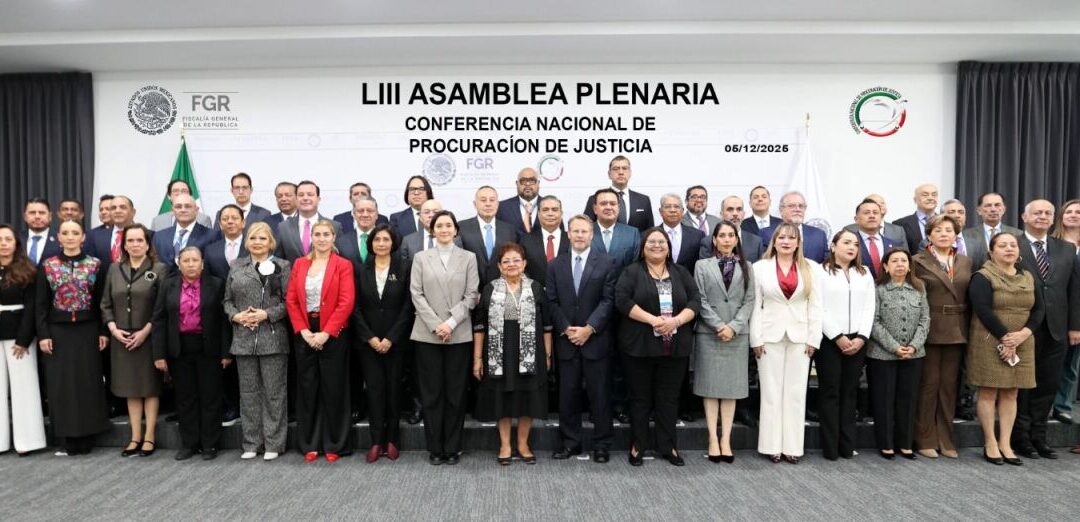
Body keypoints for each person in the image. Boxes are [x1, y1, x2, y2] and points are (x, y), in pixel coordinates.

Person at [615, 227, 700, 467]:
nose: (657, 245)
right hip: (639, 347)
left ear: (668, 248)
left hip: (674, 348)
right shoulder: (631, 272)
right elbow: (622, 300)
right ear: (643, 248)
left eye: (661, 242)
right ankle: (638, 444)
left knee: (668, 399)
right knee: (640, 399)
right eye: (651, 242)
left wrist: (676, 321)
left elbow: (695, 301)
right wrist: (654, 320)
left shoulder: (681, 272)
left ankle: (668, 445)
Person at [409, 210, 479, 465]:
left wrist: (449, 323)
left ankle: (453, 447)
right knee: (432, 394)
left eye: (449, 225)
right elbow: (416, 294)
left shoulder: (468, 258)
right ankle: (435, 448)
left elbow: (472, 295)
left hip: (458, 333)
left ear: (456, 230)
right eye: (439, 226)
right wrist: (436, 324)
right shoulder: (420, 258)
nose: (444, 229)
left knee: (455, 394)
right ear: (432, 230)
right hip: (427, 334)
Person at [1012, 200, 1080, 460]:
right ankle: (1021, 438)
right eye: (1037, 212)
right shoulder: (1012, 244)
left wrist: (1075, 326)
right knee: (1023, 386)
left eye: (1047, 213)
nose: (1042, 216)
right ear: (1024, 216)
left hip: (1057, 328)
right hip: (1024, 327)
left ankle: (1039, 437)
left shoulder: (1066, 248)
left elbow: (1074, 290)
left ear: (1054, 218)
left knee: (1048, 384)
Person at [472, 243, 553, 465]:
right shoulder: (490, 289)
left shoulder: (536, 288)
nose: (511, 264)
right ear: (499, 266)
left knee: (528, 399)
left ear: (524, 263)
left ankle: (523, 444)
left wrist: (547, 355)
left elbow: (547, 326)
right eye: (506, 261)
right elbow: (479, 326)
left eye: (516, 260)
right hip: (499, 353)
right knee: (502, 399)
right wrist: (477, 359)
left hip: (530, 352)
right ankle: (505, 445)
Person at [546, 215, 617, 463]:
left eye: (584, 231)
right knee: (568, 395)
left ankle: (602, 444)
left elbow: (608, 300)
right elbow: (552, 301)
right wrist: (567, 328)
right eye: (575, 231)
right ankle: (570, 443)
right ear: (568, 234)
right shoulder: (555, 265)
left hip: (595, 340)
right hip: (567, 340)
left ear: (591, 235)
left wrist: (589, 328)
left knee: (600, 395)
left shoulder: (607, 263)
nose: (579, 235)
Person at [967, 232, 1043, 466]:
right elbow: (982, 310)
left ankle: (1005, 443)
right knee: (989, 391)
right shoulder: (982, 276)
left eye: (1013, 245)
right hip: (990, 339)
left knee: (1012, 392)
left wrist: (1023, 335)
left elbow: (1039, 309)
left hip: (1023, 341)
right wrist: (1006, 338)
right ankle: (990, 442)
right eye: (1002, 245)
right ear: (991, 252)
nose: (1009, 249)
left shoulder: (1028, 276)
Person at [35, 220, 109, 455]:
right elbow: (41, 304)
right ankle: (66, 438)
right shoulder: (48, 265)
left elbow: (102, 302)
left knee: (88, 381)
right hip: (58, 331)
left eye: (75, 232)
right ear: (58, 237)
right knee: (62, 384)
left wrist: (103, 331)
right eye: (65, 233)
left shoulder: (95, 264)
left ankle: (87, 437)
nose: (70, 236)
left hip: (88, 330)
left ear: (82, 237)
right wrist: (43, 334)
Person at [750, 223, 823, 464]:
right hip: (768, 336)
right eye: (781, 237)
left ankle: (792, 447)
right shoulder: (760, 268)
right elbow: (755, 306)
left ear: (798, 243)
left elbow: (816, 306)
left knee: (796, 393)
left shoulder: (811, 267)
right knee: (770, 392)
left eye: (791, 238)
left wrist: (814, 338)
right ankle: (771, 446)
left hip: (800, 337)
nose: (786, 242)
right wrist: (756, 338)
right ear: (774, 241)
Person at [285, 220, 355, 463]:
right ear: (311, 237)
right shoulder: (300, 264)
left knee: (334, 388)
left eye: (327, 234)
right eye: (318, 234)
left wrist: (326, 333)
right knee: (308, 388)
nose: (322, 238)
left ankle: (335, 443)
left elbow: (346, 302)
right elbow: (291, 300)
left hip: (333, 332)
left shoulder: (343, 265)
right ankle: (310, 443)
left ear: (334, 237)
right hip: (305, 332)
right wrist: (303, 330)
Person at [151, 247, 230, 461]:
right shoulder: (168, 285)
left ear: (202, 263)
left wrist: (226, 352)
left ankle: (210, 444)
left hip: (209, 349)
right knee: (185, 398)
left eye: (195, 260)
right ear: (179, 264)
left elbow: (224, 321)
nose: (191, 264)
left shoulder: (216, 284)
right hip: (179, 349)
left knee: (210, 397)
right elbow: (159, 320)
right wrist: (159, 354)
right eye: (186, 260)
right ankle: (189, 443)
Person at [223, 222, 291, 461]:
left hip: (272, 337)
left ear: (271, 242)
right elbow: (227, 301)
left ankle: (274, 443)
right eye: (253, 238)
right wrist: (236, 316)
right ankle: (251, 443)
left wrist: (266, 314)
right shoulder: (236, 265)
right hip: (243, 338)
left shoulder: (283, 266)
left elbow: (289, 302)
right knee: (248, 394)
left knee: (274, 394)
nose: (257, 242)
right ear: (246, 242)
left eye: (262, 238)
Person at [101, 224, 168, 457]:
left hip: (148, 338)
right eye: (130, 240)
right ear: (124, 245)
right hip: (121, 338)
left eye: (140, 240)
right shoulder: (114, 269)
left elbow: (161, 307)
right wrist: (113, 329)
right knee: (131, 388)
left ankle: (149, 436)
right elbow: (105, 303)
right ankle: (134, 436)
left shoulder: (158, 269)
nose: (135, 244)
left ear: (148, 244)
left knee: (149, 388)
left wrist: (146, 331)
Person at [912, 214, 972, 459]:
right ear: (929, 235)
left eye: (948, 230)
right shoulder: (917, 260)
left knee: (949, 387)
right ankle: (925, 438)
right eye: (938, 230)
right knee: (928, 385)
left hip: (958, 329)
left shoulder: (965, 261)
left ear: (956, 235)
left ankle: (946, 439)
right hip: (930, 328)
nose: (944, 234)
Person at [694, 221, 754, 463]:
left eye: (731, 235)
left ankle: (726, 440)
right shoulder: (702, 265)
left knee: (731, 389)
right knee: (710, 388)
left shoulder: (747, 266)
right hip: (710, 334)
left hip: (737, 335)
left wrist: (734, 327)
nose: (727, 239)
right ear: (714, 240)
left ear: (736, 240)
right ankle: (712, 438)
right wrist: (719, 325)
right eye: (722, 235)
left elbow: (749, 300)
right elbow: (699, 299)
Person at [353, 225, 413, 462]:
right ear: (371, 243)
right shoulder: (361, 269)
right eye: (377, 239)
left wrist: (391, 338)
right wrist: (370, 337)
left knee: (394, 390)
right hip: (368, 343)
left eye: (385, 239)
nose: (381, 243)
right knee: (375, 391)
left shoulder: (404, 267)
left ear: (393, 243)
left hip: (395, 342)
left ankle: (392, 440)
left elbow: (408, 306)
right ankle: (376, 441)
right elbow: (355, 308)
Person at [816, 229, 875, 461]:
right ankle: (830, 447)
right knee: (830, 392)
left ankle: (847, 445)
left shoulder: (864, 273)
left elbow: (869, 307)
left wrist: (861, 337)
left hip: (857, 341)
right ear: (833, 246)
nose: (852, 247)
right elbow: (818, 307)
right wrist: (837, 336)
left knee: (850, 392)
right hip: (830, 340)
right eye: (846, 242)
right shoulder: (820, 271)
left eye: (855, 244)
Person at [868, 248, 930, 459]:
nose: (900, 264)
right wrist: (894, 346)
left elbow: (925, 319)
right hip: (883, 354)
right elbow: (874, 322)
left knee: (908, 399)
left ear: (910, 266)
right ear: (886, 266)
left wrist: (914, 345)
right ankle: (886, 443)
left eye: (904, 260)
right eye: (894, 261)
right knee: (884, 400)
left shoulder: (919, 288)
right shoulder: (878, 289)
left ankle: (905, 443)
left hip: (913, 354)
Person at [0, 224, 47, 455]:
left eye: (8, 239)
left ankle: (29, 441)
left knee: (24, 387)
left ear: (16, 243)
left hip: (19, 337)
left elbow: (32, 308)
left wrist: (24, 339)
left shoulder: (27, 270)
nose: (3, 244)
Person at [1052, 199, 1080, 428]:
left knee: (1071, 365)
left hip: (1078, 315)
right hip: (1055, 312)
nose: (1073, 215)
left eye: (1078, 212)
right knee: (1049, 363)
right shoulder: (1052, 244)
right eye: (1068, 211)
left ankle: (1063, 407)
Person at [456, 186, 518, 288]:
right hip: (470, 290)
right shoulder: (461, 227)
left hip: (503, 289)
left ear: (497, 204)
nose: (488, 204)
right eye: (483, 200)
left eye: (492, 200)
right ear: (475, 204)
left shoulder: (509, 230)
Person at [274, 180, 341, 262]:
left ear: (318, 199)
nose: (305, 198)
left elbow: (339, 258)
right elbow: (278, 260)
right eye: (301, 195)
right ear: (296, 199)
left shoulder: (334, 226)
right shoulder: (284, 227)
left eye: (310, 194)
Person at [152, 193, 220, 274]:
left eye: (188, 206)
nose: (183, 210)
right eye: (178, 207)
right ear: (173, 210)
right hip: (164, 281)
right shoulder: (159, 236)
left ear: (196, 210)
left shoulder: (212, 236)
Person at [582, 156, 654, 231]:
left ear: (630, 173)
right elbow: (585, 228)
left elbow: (650, 231)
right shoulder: (595, 199)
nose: (621, 172)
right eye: (616, 169)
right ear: (609, 174)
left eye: (625, 168)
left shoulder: (643, 200)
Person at [760, 191, 829, 264]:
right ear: (781, 210)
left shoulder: (819, 235)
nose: (797, 209)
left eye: (801, 206)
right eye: (792, 206)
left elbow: (826, 264)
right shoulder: (765, 233)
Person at [961, 192, 1022, 267]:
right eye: (988, 205)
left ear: (1004, 209)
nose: (993, 209)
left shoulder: (1018, 234)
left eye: (997, 205)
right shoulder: (966, 235)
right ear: (979, 210)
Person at [520, 195, 568, 285]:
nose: (550, 213)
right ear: (538, 214)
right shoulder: (526, 241)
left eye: (554, 210)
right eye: (545, 210)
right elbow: (522, 270)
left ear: (561, 213)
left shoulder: (572, 239)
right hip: (535, 292)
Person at [851, 198, 904, 278]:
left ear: (881, 218)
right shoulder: (849, 244)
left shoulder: (894, 245)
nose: (872, 216)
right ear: (856, 219)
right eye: (867, 213)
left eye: (875, 213)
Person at [590, 188, 641, 270]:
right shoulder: (584, 232)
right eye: (603, 204)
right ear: (595, 209)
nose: (608, 207)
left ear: (619, 208)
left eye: (613, 204)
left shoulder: (632, 234)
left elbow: (636, 266)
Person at [702, 195, 763, 263]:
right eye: (730, 209)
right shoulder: (707, 242)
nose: (735, 213)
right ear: (721, 214)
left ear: (743, 214)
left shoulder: (756, 242)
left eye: (739, 209)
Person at [86, 195, 135, 275]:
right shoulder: (93, 235)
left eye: (122, 207)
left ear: (133, 212)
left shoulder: (147, 234)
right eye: (113, 208)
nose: (117, 211)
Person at [658, 194, 704, 275]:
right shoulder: (649, 236)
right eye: (668, 207)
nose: (673, 210)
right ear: (661, 211)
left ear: (682, 211)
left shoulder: (697, 236)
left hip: (688, 281)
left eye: (676, 207)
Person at [893, 184, 939, 253]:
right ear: (915, 200)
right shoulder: (900, 224)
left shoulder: (947, 222)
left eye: (934, 195)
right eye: (925, 195)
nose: (930, 198)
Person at [496, 167, 542, 236]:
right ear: (517, 183)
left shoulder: (551, 206)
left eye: (532, 180)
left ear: (538, 183)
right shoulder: (502, 207)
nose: (527, 184)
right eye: (523, 180)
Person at [398, 199, 443, 266]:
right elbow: (404, 269)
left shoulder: (454, 240)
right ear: (420, 217)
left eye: (435, 212)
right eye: (426, 212)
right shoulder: (408, 241)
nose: (431, 215)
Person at [21, 198, 61, 267]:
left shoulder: (60, 238)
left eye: (42, 213)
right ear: (25, 216)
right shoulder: (17, 239)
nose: (37, 216)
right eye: (32, 213)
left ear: (50, 216)